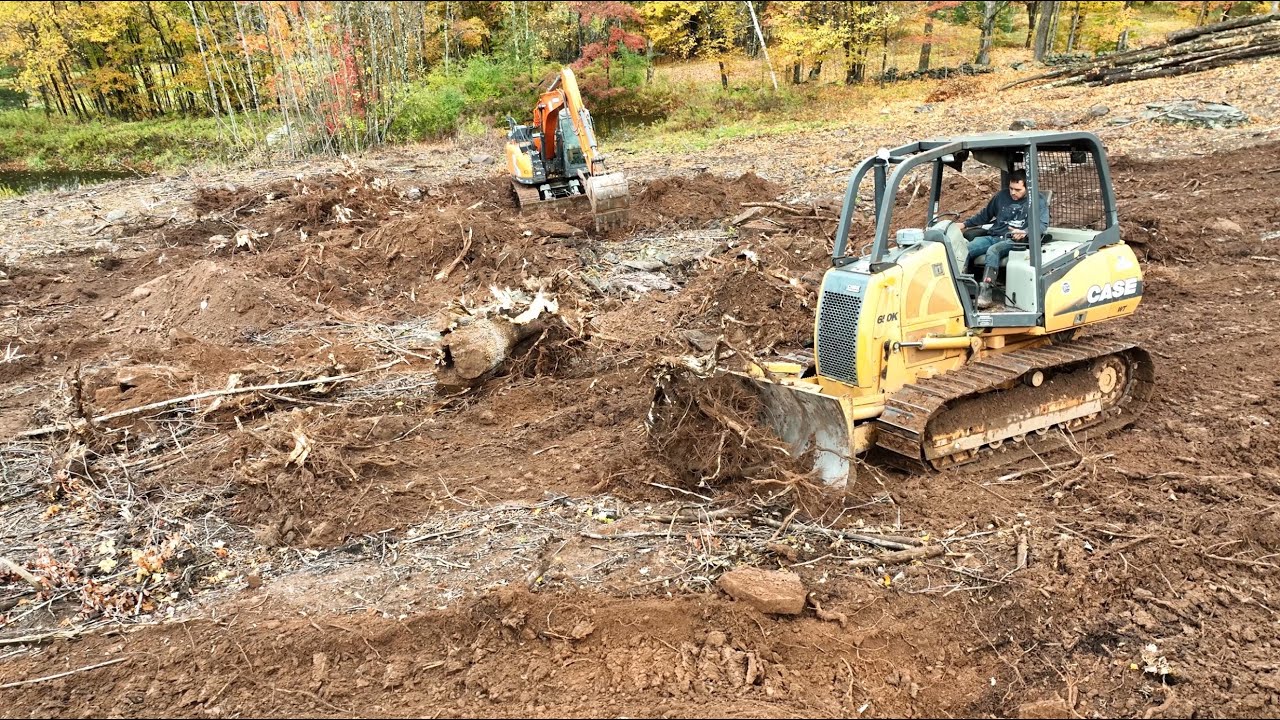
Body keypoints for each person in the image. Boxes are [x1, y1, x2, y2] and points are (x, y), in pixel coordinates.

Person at [963, 169, 1049, 309]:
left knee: (993, 251)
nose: (1013, 193)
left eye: (1018, 189)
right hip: (994, 235)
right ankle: (960, 287)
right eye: (1011, 188)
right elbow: (985, 215)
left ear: (1028, 188)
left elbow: (1042, 225)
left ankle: (985, 293)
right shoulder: (1001, 196)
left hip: (1014, 241)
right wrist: (964, 224)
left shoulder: (1038, 201)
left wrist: (1025, 232)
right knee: (965, 248)